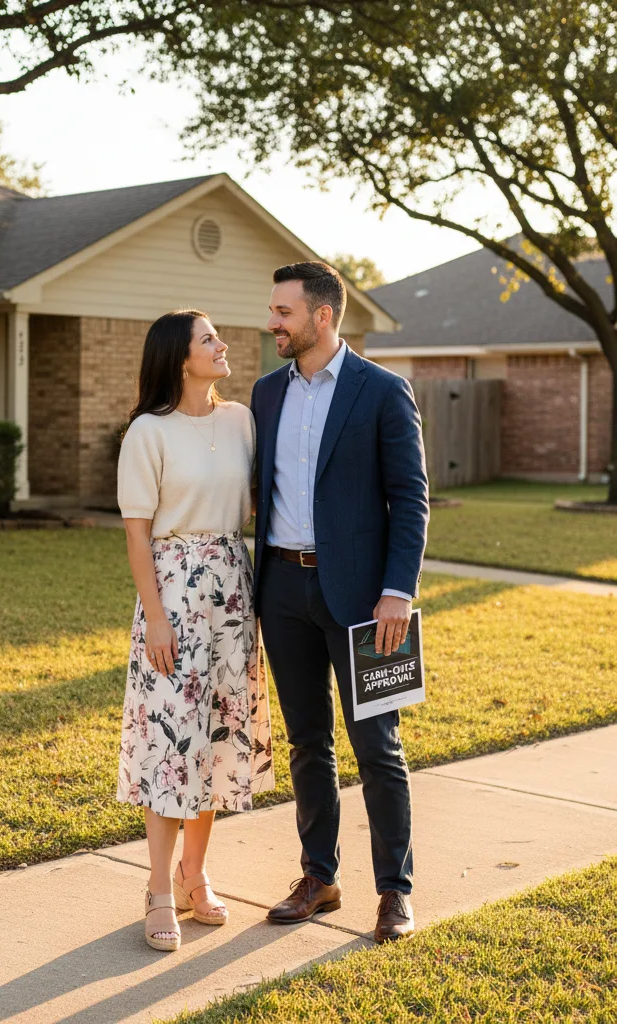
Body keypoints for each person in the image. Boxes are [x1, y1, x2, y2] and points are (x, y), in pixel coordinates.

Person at [251, 262, 429, 944]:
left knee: (378, 748)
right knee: (308, 744)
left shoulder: (382, 391)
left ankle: (395, 893)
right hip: (283, 589)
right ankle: (319, 877)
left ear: (322, 317)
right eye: (273, 310)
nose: (274, 322)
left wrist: (397, 592)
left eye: (284, 312)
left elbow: (409, 500)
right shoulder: (267, 394)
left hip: (365, 600)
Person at [116, 309, 275, 952]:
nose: (222, 343)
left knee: (213, 737)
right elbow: (136, 532)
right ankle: (158, 889)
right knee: (168, 741)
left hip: (232, 591)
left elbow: (267, 499)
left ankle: (194, 875)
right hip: (173, 594)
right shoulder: (148, 434)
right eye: (208, 338)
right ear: (181, 359)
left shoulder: (242, 422)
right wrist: (155, 615)